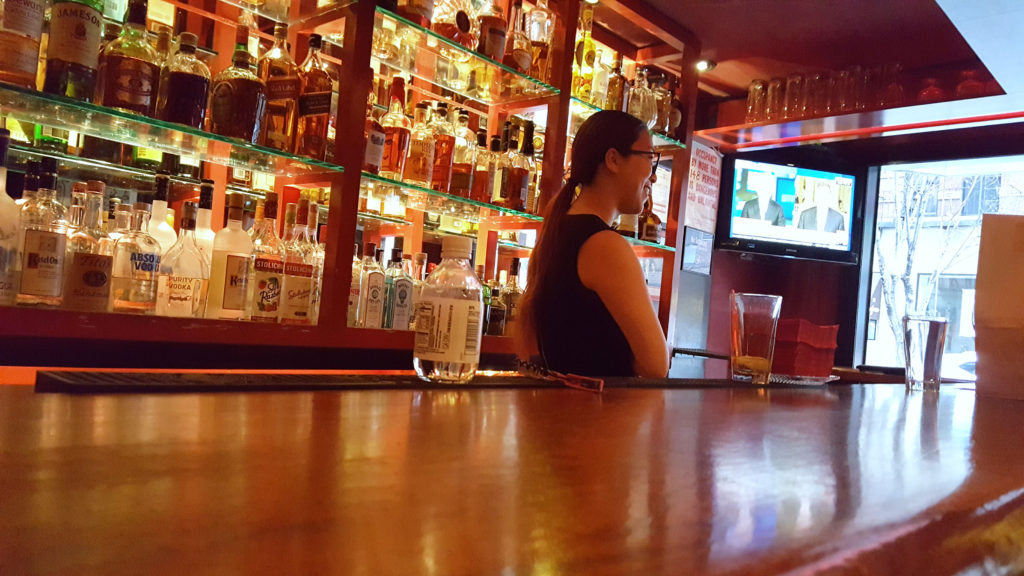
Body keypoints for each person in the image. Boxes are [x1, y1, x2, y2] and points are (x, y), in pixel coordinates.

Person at [515, 111, 669, 379]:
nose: (654, 176)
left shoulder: (561, 228)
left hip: (568, 405)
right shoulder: (604, 245)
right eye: (649, 158)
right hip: (600, 406)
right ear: (613, 160)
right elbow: (656, 366)